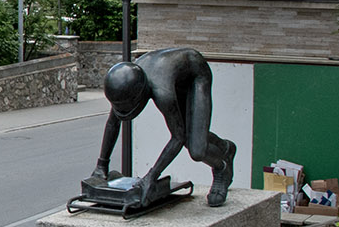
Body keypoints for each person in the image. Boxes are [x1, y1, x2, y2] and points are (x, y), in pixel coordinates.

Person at [87, 47, 236, 207]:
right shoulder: (124, 82)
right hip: (175, 75)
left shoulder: (162, 92)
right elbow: (113, 122)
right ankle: (225, 147)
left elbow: (178, 138)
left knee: (196, 150)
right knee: (193, 134)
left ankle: (222, 168)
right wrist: (101, 166)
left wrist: (151, 176)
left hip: (196, 75)